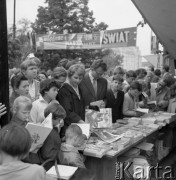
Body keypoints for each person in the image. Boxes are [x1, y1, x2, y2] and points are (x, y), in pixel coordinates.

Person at [25, 101, 66, 171]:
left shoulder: (48, 127)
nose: (61, 121)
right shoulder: (49, 131)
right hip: (47, 165)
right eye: (59, 119)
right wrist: (61, 154)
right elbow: (47, 153)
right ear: (54, 118)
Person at [57, 64, 85, 137]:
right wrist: (80, 120)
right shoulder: (64, 90)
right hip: (68, 128)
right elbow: (66, 111)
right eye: (75, 78)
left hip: (78, 126)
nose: (78, 80)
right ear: (69, 76)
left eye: (80, 78)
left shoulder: (79, 88)